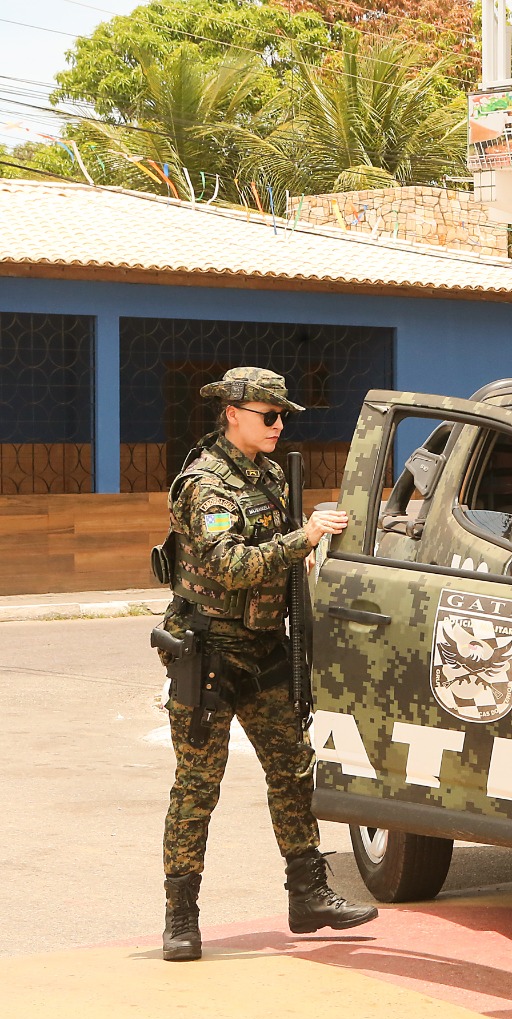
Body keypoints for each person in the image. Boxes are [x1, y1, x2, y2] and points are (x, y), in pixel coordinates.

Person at [154, 367, 376, 962]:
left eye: (282, 416)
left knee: (293, 770)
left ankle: (308, 894)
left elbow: (272, 563)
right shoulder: (206, 485)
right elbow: (228, 565)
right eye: (267, 415)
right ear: (232, 413)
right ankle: (181, 918)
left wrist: (301, 559)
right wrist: (303, 537)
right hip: (208, 651)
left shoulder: (273, 476)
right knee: (199, 787)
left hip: (263, 648)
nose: (278, 425)